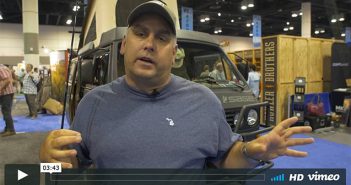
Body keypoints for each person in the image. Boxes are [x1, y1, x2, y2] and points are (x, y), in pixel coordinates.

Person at [39, 0, 314, 169]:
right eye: (140, 33)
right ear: (124, 45)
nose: (149, 44)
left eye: (161, 37)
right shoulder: (94, 104)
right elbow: (68, 169)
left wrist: (250, 153)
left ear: (174, 53)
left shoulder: (204, 101)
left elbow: (224, 158)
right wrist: (46, 160)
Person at [0, 64, 16, 137]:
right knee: (6, 111)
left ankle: (11, 130)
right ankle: (7, 128)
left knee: (6, 111)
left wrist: (1, 89)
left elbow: (7, 80)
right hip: (6, 93)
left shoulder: (1, 68)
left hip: (6, 93)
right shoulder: (4, 67)